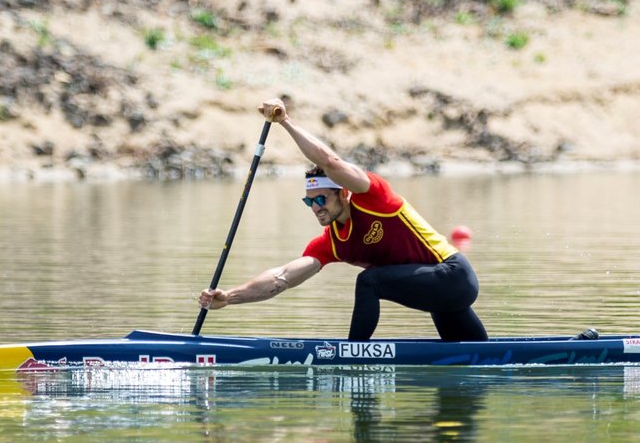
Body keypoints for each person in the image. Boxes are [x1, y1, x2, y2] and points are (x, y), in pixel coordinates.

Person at [198, 98, 488, 342]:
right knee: (479, 357)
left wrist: (285, 122)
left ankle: (353, 353)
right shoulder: (333, 243)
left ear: (344, 193)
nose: (315, 208)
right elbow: (282, 278)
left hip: (453, 275)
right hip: (439, 294)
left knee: (369, 281)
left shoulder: (374, 198)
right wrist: (229, 297)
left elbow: (330, 162)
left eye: (321, 199)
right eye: (309, 201)